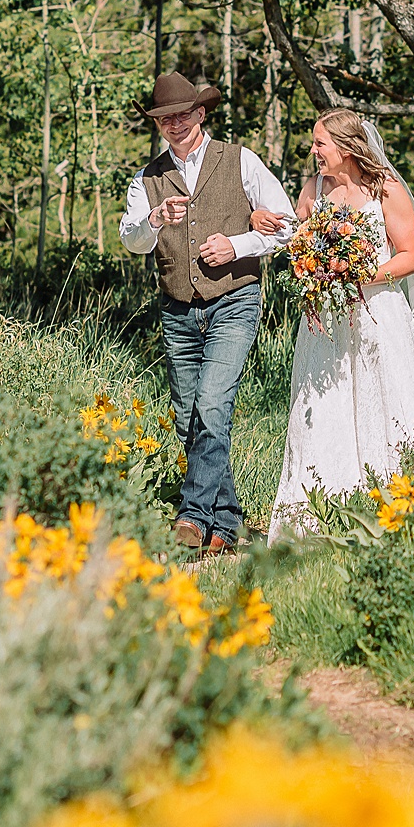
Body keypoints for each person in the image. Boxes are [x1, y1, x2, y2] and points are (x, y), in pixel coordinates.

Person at [121, 72, 296, 555]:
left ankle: (192, 517)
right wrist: (154, 220)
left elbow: (288, 226)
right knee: (188, 418)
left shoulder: (241, 161)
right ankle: (229, 521)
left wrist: (238, 244)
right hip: (177, 309)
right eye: (164, 119)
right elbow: (131, 240)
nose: (174, 125)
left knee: (213, 404)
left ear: (201, 113)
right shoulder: (147, 178)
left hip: (234, 301)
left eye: (182, 115)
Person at [270, 108, 414, 540]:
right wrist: (308, 269)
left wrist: (357, 277)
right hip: (325, 322)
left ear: (347, 148)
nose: (313, 152)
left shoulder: (385, 188)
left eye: (320, 144)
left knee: (388, 405)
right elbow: (299, 244)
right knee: (323, 409)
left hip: (377, 317)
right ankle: (317, 518)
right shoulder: (313, 189)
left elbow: (410, 256)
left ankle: (403, 505)